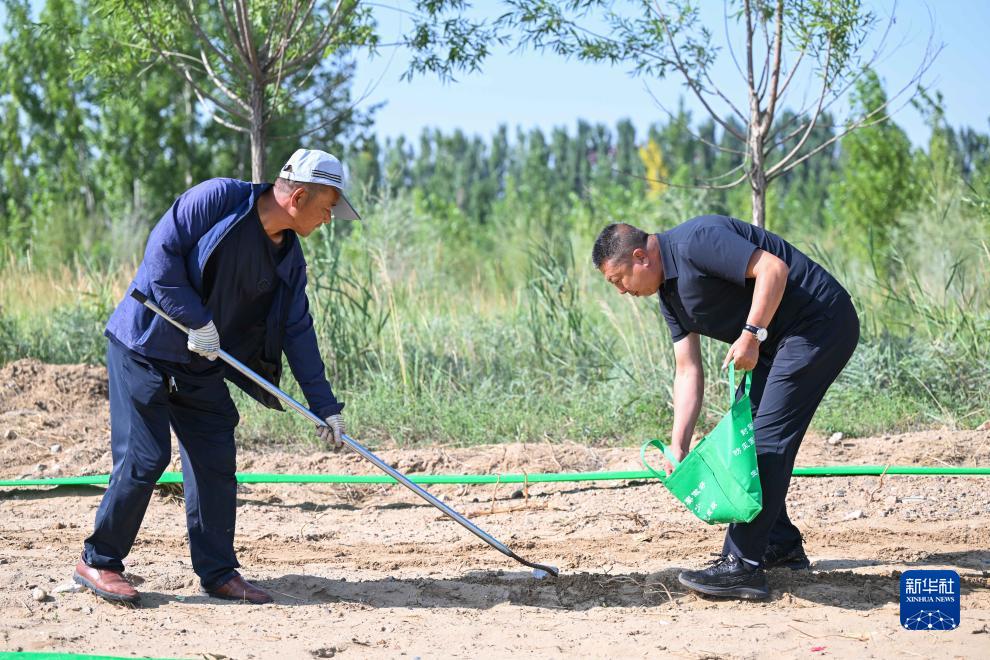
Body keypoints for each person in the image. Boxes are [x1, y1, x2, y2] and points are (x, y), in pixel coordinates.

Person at [73, 148, 360, 605]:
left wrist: (325, 407)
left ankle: (218, 572)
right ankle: (99, 560)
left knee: (215, 453)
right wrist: (196, 318)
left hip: (199, 363)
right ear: (298, 197)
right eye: (328, 207)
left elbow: (297, 331)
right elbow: (160, 255)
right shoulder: (217, 199)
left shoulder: (289, 261)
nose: (329, 219)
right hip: (145, 346)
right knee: (145, 456)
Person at [592, 216, 859, 599]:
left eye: (618, 280)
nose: (621, 291)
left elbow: (772, 268)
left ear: (640, 257)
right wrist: (678, 445)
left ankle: (742, 565)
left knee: (765, 440)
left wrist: (751, 335)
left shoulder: (696, 242)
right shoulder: (669, 295)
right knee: (743, 439)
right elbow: (687, 370)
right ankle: (779, 545)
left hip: (818, 324)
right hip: (776, 342)